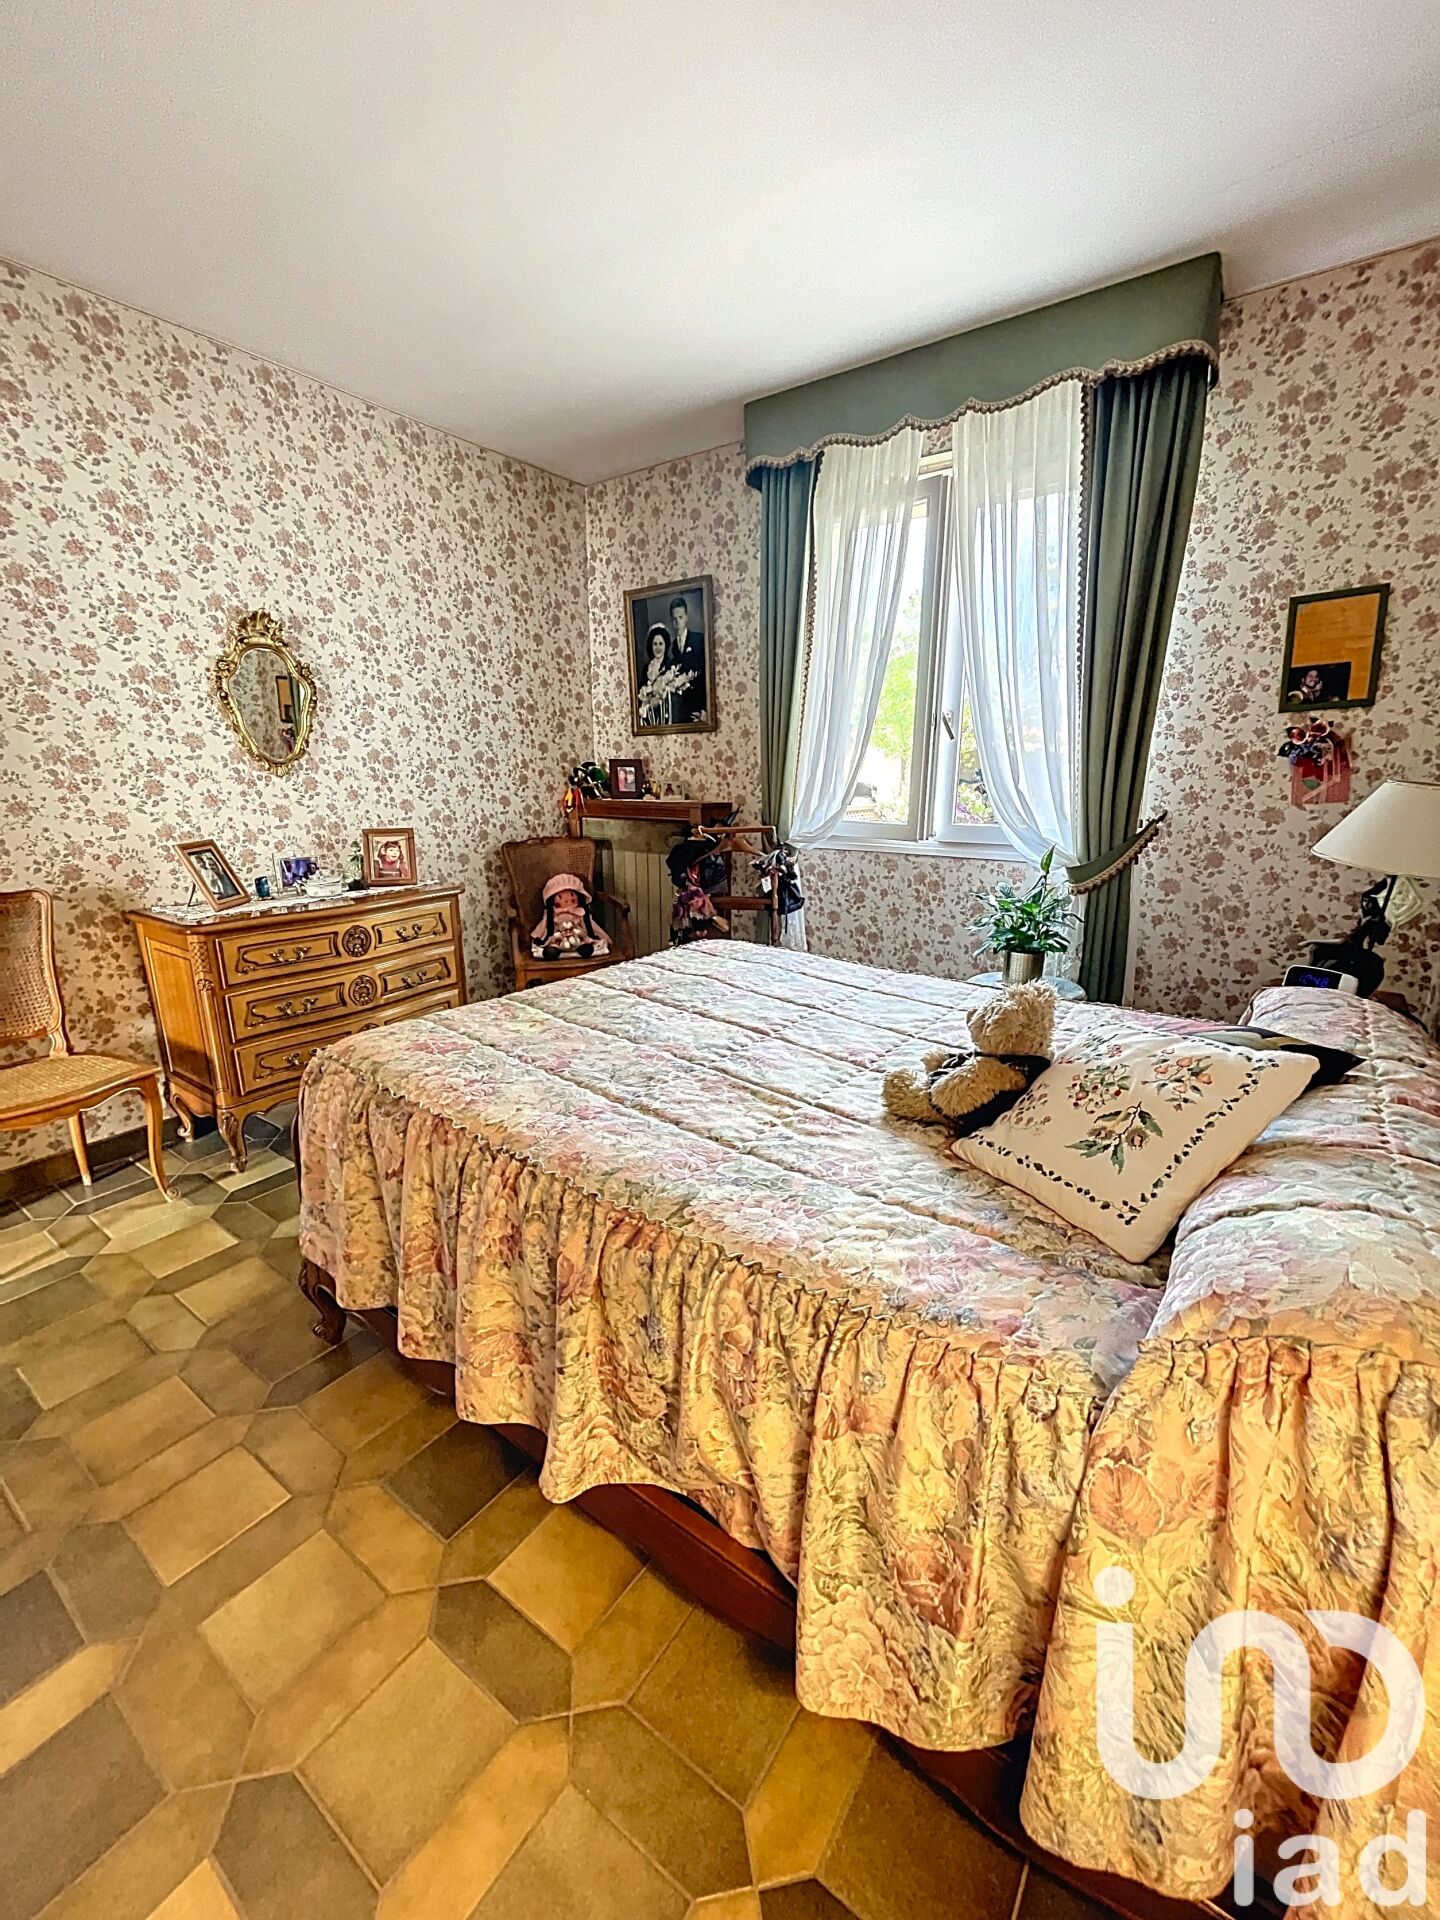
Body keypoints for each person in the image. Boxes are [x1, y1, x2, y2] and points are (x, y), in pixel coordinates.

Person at [665, 595, 706, 724]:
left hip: (698, 705)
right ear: (671, 621)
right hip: (681, 709)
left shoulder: (699, 640)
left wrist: (705, 708)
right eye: (674, 619)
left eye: (680, 617)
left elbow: (705, 676)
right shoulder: (671, 648)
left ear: (686, 617)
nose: (678, 623)